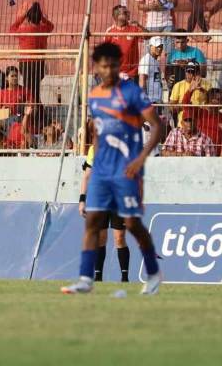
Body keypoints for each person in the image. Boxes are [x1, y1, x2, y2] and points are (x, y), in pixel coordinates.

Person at [61, 42, 164, 296]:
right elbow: (97, 130)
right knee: (93, 223)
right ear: (97, 67)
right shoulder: (95, 96)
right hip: (101, 171)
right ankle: (86, 279)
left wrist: (141, 159)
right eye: (105, 66)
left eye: (114, 65)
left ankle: (153, 272)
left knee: (132, 224)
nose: (110, 70)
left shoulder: (132, 93)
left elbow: (158, 126)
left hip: (127, 170)